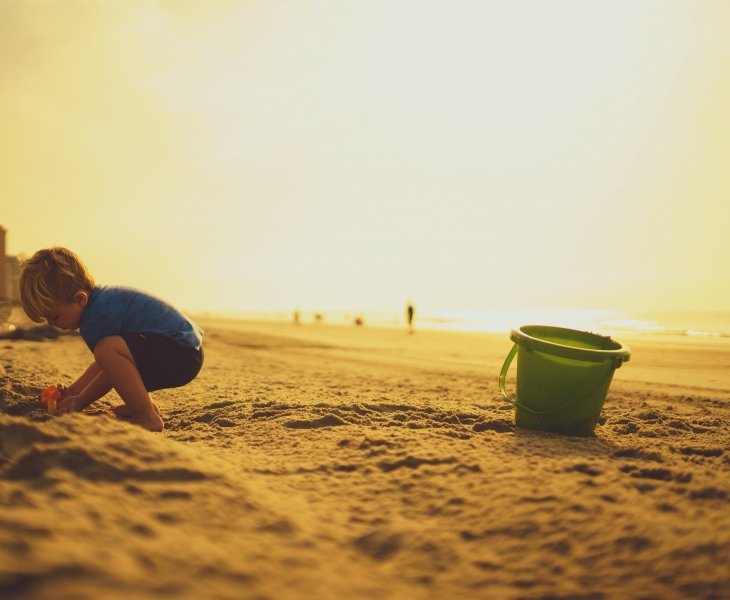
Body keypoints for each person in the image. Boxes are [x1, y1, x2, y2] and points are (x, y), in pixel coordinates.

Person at [19, 247, 203, 432]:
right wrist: (73, 391)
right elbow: (107, 364)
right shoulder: (101, 301)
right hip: (184, 351)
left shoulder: (98, 316)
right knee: (111, 352)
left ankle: (146, 417)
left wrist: (81, 400)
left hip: (180, 354)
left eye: (55, 317)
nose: (50, 324)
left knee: (108, 350)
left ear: (79, 299)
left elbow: (108, 368)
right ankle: (144, 407)